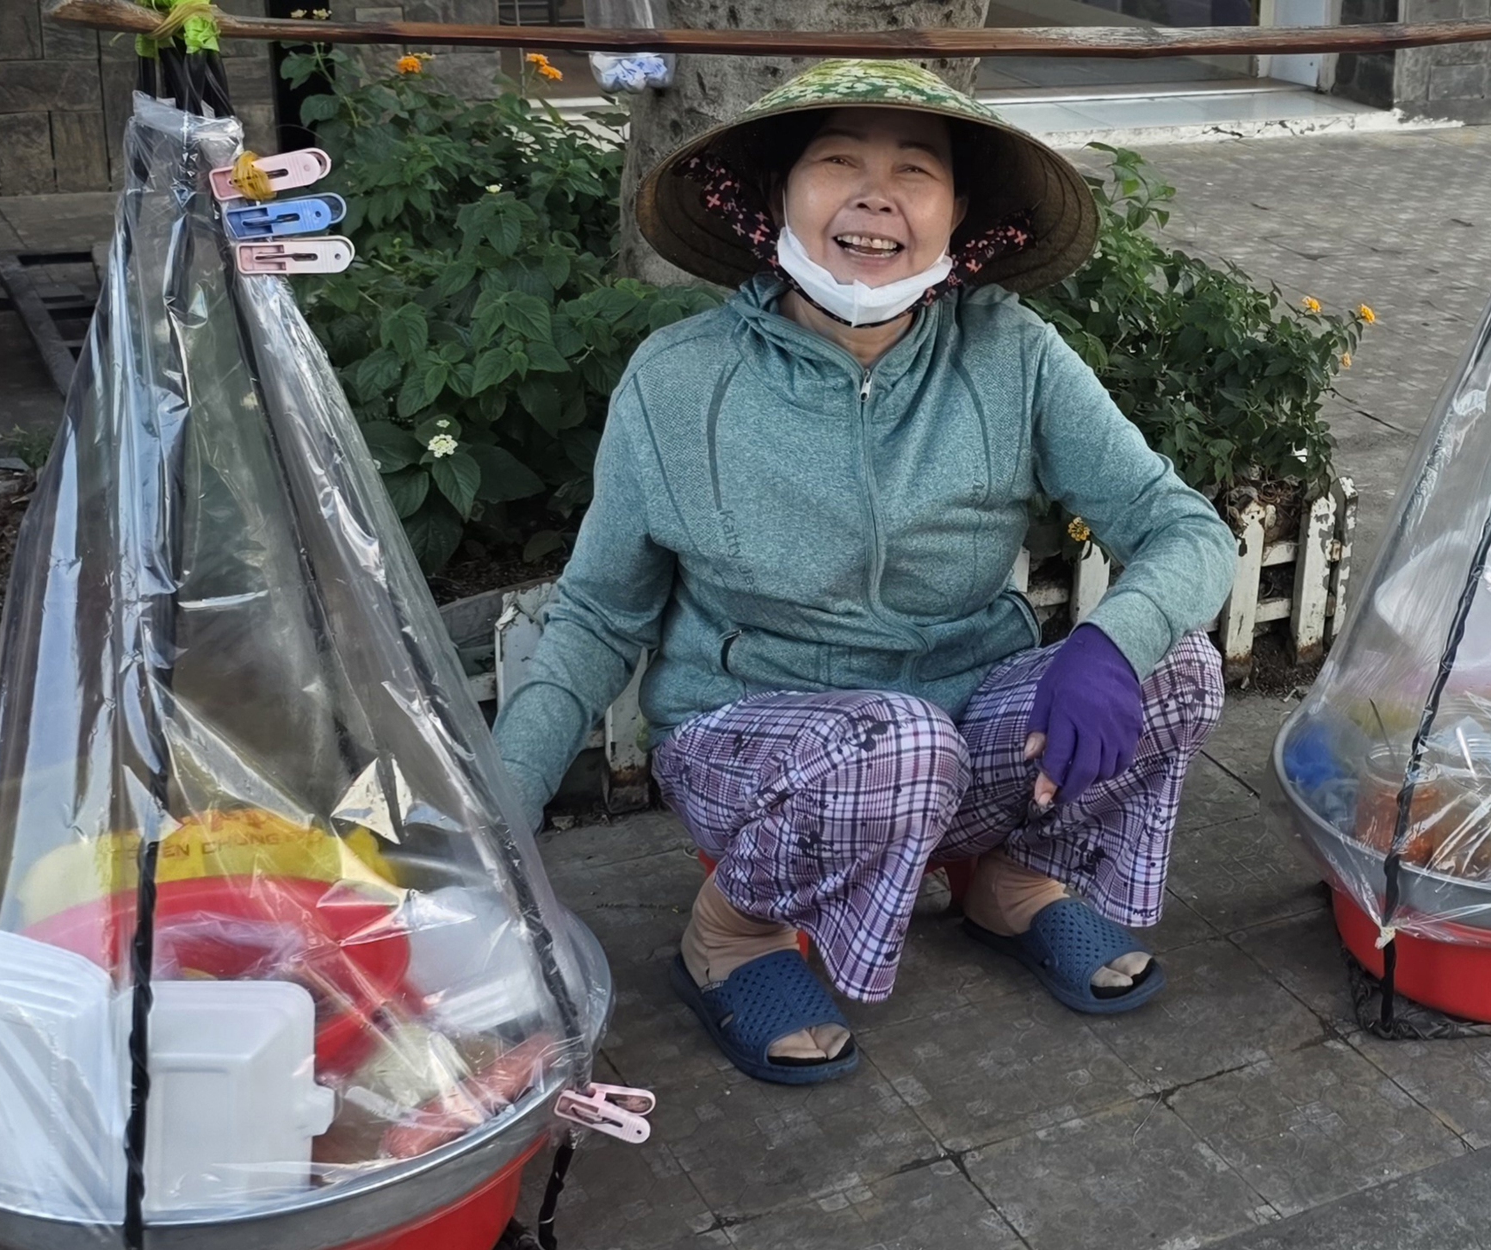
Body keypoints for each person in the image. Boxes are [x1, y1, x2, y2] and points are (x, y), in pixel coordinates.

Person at [494, 59, 1235, 1085]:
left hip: (959, 721)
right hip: (761, 742)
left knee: (1176, 666)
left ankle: (1011, 881)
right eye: (836, 161)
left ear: (958, 213)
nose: (874, 194)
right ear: (772, 200)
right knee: (894, 746)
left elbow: (1182, 528)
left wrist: (1115, 640)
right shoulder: (676, 381)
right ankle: (731, 935)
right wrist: (499, 803)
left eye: (914, 172)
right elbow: (593, 615)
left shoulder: (1009, 353)